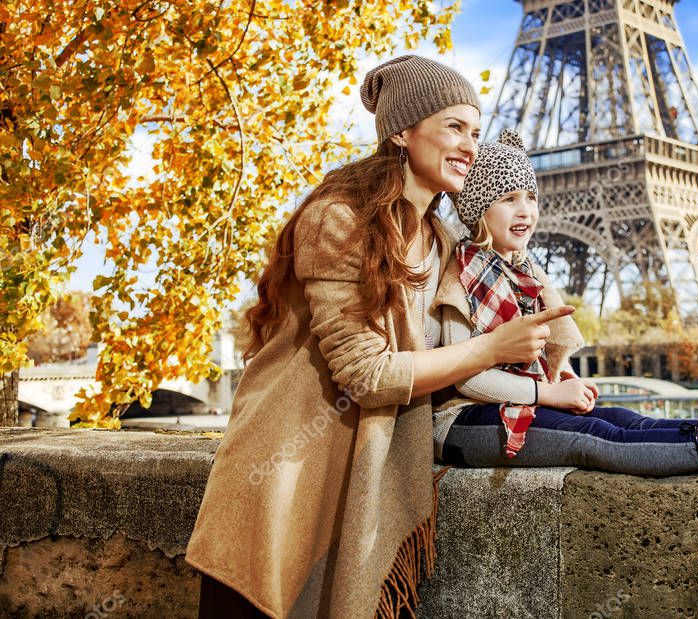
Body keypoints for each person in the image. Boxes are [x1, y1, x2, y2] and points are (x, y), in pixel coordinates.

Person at [184, 56, 573, 619]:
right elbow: (367, 376)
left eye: (476, 131)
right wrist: (491, 350)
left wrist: (551, 359)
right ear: (401, 132)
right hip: (281, 479)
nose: (470, 146)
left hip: (358, 472)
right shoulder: (337, 219)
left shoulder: (438, 239)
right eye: (453, 128)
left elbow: (500, 278)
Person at [431, 130, 698, 477]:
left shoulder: (521, 271)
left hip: (512, 406)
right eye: (508, 199)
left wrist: (561, 379)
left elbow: (526, 362)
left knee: (621, 417)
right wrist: (546, 394)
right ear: (478, 208)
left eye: (530, 197)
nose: (525, 210)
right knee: (593, 436)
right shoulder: (462, 275)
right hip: (462, 423)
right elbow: (466, 375)